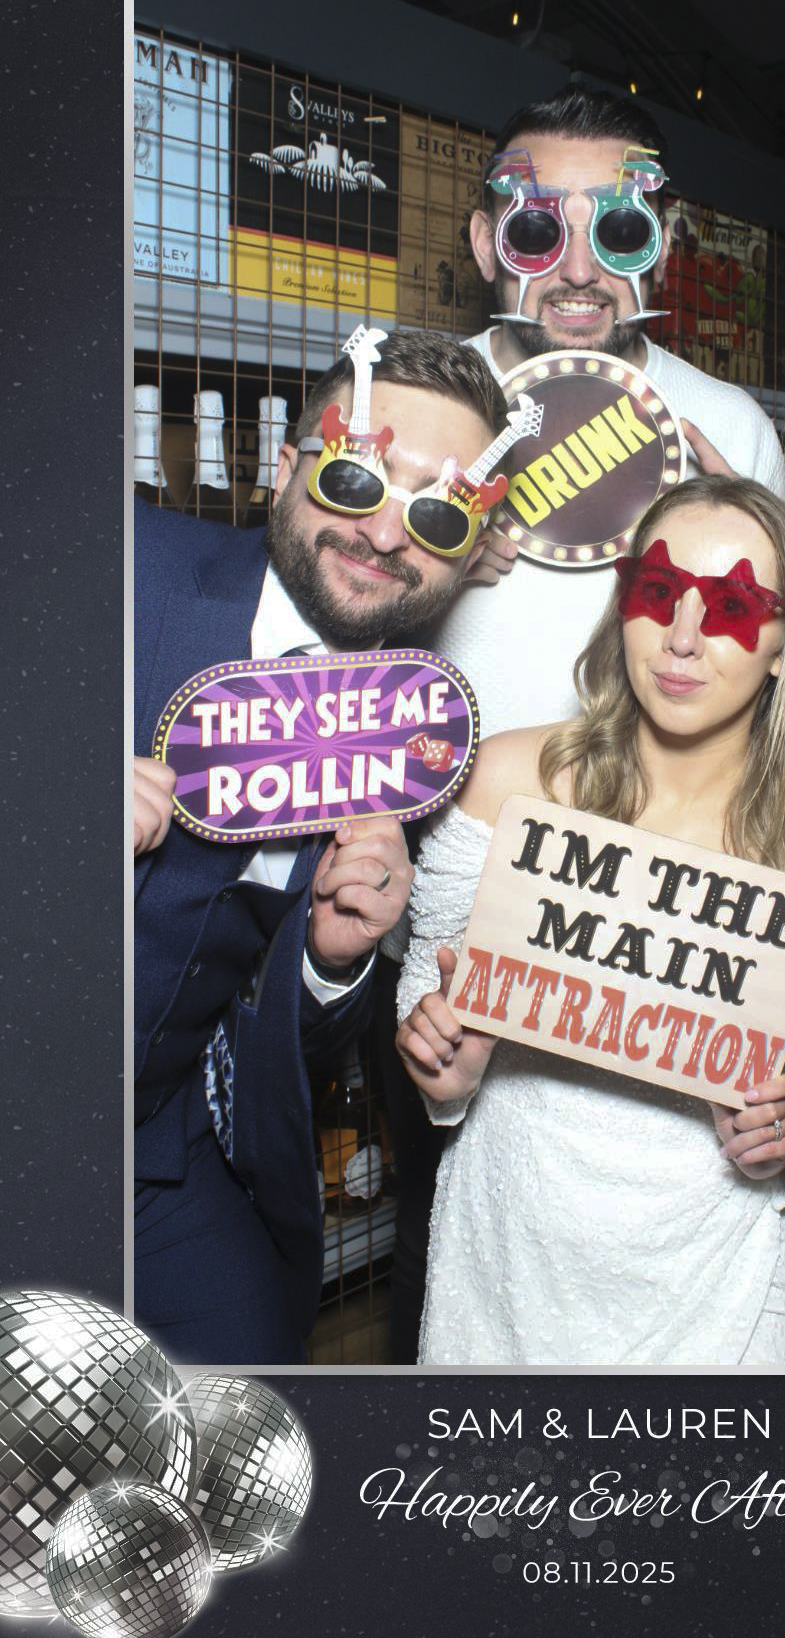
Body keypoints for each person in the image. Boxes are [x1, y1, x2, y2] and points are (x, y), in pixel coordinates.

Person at [390, 477, 785, 1365]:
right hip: (511, 1262)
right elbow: (431, 979)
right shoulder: (505, 783)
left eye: (733, 607)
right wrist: (445, 1070)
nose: (682, 638)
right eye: (660, 592)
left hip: (732, 1279)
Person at [132, 329, 509, 1364]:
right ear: (285, 470)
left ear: (472, 549)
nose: (387, 534)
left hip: (152, 1152)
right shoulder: (114, 567)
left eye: (436, 514)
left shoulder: (405, 736)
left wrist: (332, 961)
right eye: (355, 477)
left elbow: (274, 1039)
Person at [432, 85, 785, 735]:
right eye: (536, 231)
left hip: (647, 828)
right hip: (434, 821)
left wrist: (730, 555)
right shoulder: (418, 408)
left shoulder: (734, 428)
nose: (578, 270)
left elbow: (781, 670)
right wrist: (419, 568)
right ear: (487, 245)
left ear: (660, 245)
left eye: (618, 231)